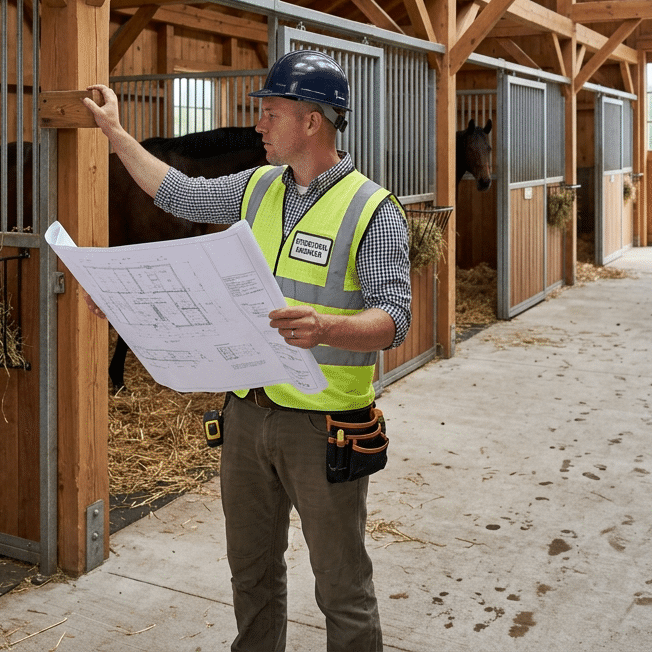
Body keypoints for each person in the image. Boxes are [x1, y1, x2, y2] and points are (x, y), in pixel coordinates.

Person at [83, 49, 411, 652]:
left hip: (323, 426)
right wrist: (116, 132)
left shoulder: (373, 208)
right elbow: (179, 194)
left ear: (312, 122)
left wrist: (326, 327)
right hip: (246, 416)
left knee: (342, 588)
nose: (258, 124)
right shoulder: (258, 187)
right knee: (252, 575)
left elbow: (395, 319)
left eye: (271, 112)